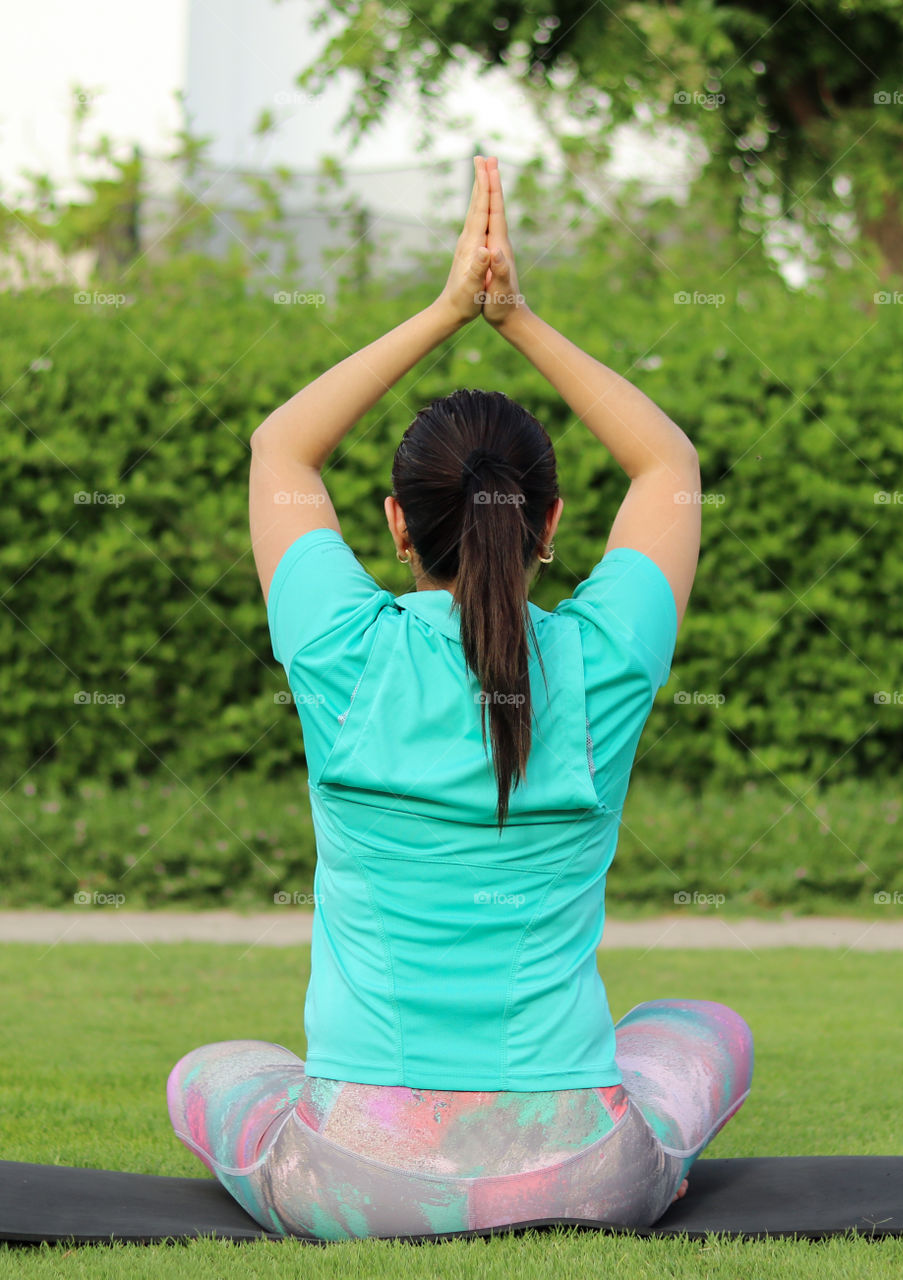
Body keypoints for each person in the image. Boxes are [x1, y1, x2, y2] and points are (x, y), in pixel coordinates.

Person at [167, 155, 753, 1240]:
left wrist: (446, 310)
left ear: (395, 523)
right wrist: (514, 316)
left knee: (209, 1069)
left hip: (352, 1176)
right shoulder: (601, 656)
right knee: (703, 1027)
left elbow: (279, 447)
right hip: (582, 1171)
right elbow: (667, 465)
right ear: (551, 520)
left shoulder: (343, 652)